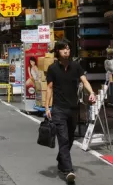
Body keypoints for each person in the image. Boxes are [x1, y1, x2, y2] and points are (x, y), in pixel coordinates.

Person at [45, 40, 96, 184]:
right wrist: (47, 107)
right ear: (58, 51)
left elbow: (84, 81)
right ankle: (68, 170)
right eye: (63, 49)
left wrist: (91, 92)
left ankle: (61, 160)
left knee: (71, 137)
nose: (66, 51)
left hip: (73, 108)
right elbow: (49, 88)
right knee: (63, 139)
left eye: (68, 48)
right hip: (59, 109)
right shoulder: (52, 68)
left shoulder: (76, 66)